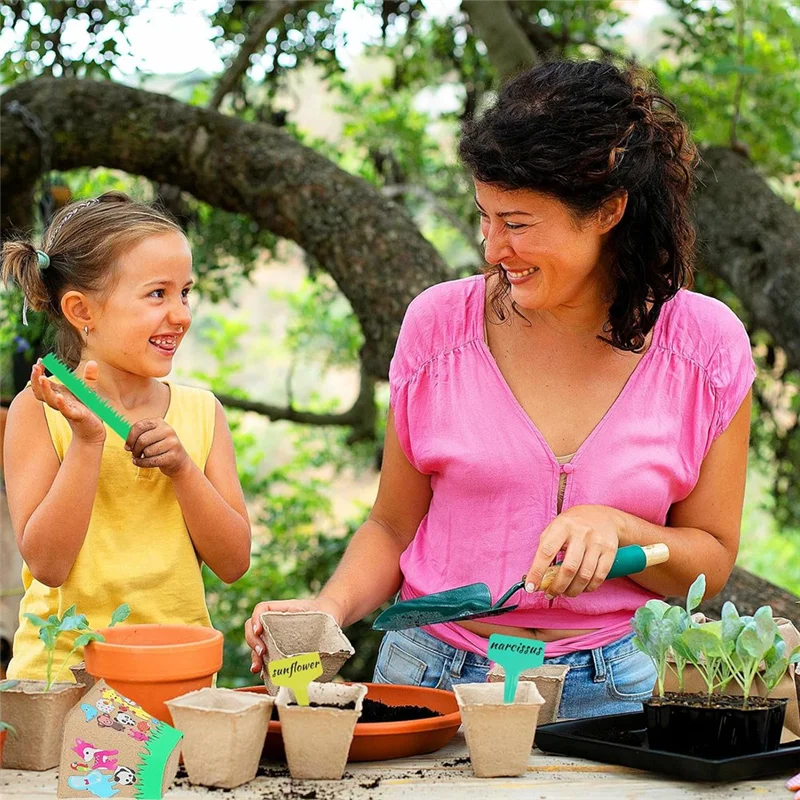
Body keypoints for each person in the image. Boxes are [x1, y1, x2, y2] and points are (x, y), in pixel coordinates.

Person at [245, 60, 755, 718]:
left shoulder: (706, 345)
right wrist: (325, 610)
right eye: (484, 218)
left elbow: (710, 558)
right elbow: (392, 524)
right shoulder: (436, 327)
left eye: (516, 223)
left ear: (607, 210)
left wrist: (618, 528)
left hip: (619, 693)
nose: (491, 248)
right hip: (430, 679)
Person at [2, 192, 251, 680]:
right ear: (81, 310)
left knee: (176, 762)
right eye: (157, 294)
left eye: (185, 292)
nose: (180, 315)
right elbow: (49, 564)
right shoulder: (40, 409)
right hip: (67, 680)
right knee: (127, 763)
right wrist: (88, 442)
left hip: (176, 675)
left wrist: (183, 470)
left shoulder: (202, 412)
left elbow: (233, 561)